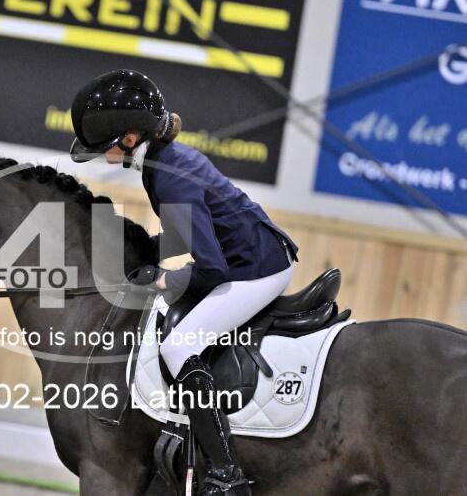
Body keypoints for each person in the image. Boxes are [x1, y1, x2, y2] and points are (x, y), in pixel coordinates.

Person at [69, 70, 299, 496]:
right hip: (249, 254)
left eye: (106, 147)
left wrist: (165, 279)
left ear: (131, 138)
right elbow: (188, 231)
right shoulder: (162, 162)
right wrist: (145, 253)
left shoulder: (169, 174)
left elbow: (212, 270)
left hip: (257, 269)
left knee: (178, 346)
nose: (103, 156)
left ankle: (226, 472)